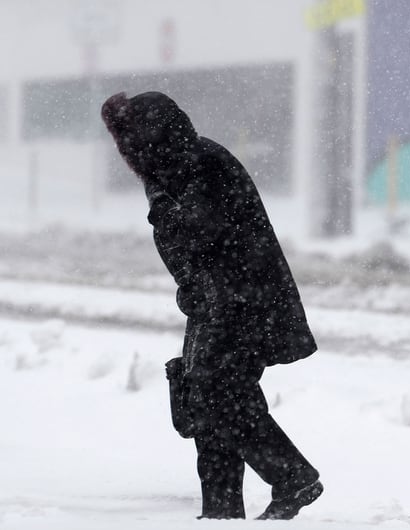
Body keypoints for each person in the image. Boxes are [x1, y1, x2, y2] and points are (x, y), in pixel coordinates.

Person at [101, 91, 323, 520]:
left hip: (242, 301)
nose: (130, 154)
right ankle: (221, 514)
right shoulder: (171, 171)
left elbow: (203, 234)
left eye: (134, 142)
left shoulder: (202, 164)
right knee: (207, 401)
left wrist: (165, 214)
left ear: (154, 138)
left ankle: (292, 476)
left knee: (213, 392)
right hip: (216, 302)